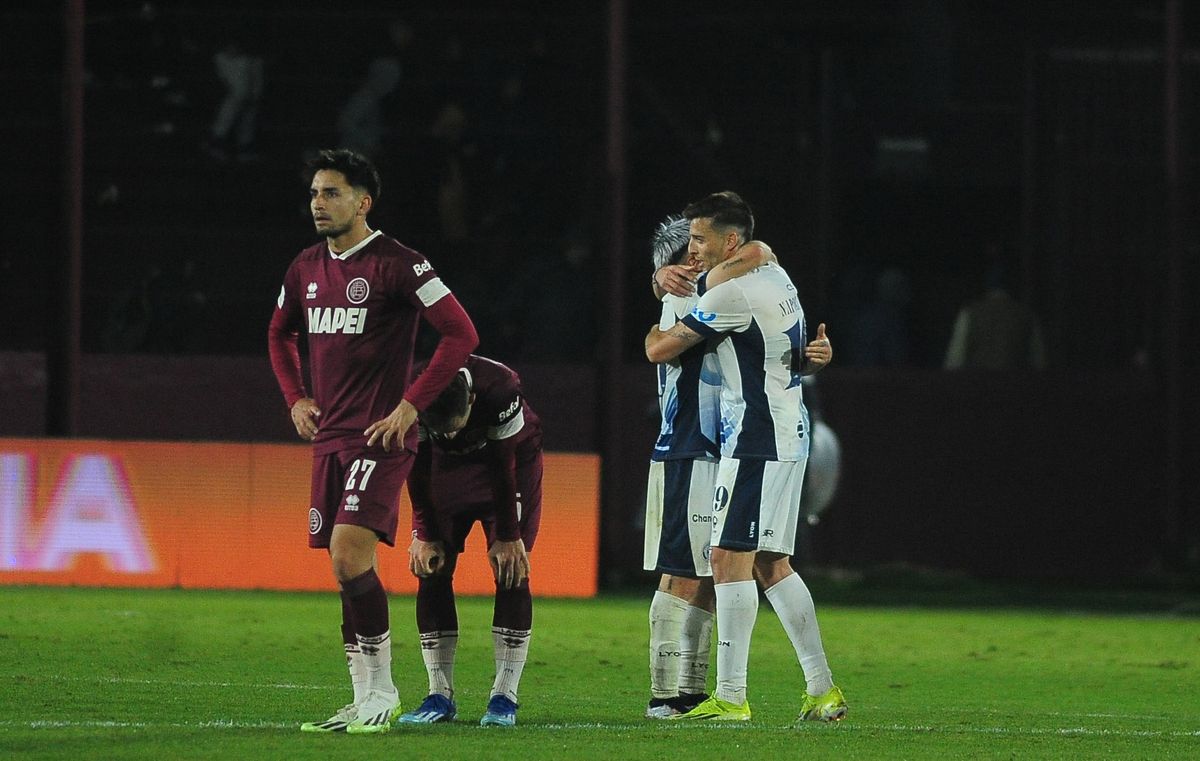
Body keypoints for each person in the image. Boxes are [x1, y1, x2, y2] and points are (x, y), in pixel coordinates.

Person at [267, 149, 479, 734]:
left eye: (331, 192)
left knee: (347, 554)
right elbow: (278, 333)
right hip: (328, 437)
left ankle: (384, 692)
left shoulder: (400, 265)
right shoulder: (304, 268)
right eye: (313, 192)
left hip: (379, 437)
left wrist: (410, 406)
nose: (317, 202)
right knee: (343, 570)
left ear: (363, 202)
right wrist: (295, 397)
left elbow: (461, 333)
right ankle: (362, 699)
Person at [645, 191, 846, 724]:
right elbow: (765, 269)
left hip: (755, 438)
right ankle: (822, 689)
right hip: (787, 430)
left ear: (730, 242)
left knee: (724, 560)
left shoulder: (728, 293)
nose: (692, 251)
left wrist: (667, 294)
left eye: (700, 240)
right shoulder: (777, 277)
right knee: (771, 563)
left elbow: (659, 349)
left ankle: (731, 696)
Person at [641, 215, 781, 718]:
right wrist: (664, 282)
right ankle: (666, 694)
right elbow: (760, 253)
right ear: (689, 261)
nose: (709, 253)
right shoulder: (688, 298)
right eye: (696, 246)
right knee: (682, 574)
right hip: (689, 449)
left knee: (703, 574)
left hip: (713, 450)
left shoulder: (695, 294)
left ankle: (689, 691)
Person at [396, 354, 542, 727]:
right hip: (445, 471)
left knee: (511, 568)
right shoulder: (414, 392)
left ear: (472, 400)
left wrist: (508, 535)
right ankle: (438, 694)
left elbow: (503, 467)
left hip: (511, 464)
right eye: (440, 430)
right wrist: (424, 532)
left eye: (455, 427)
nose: (450, 436)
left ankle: (504, 696)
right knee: (432, 566)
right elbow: (417, 464)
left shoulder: (500, 386)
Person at [944, 261, 1046, 370]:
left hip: (978, 383)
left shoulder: (970, 313)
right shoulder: (1026, 315)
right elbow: (1039, 361)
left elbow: (955, 359)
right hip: (1017, 384)